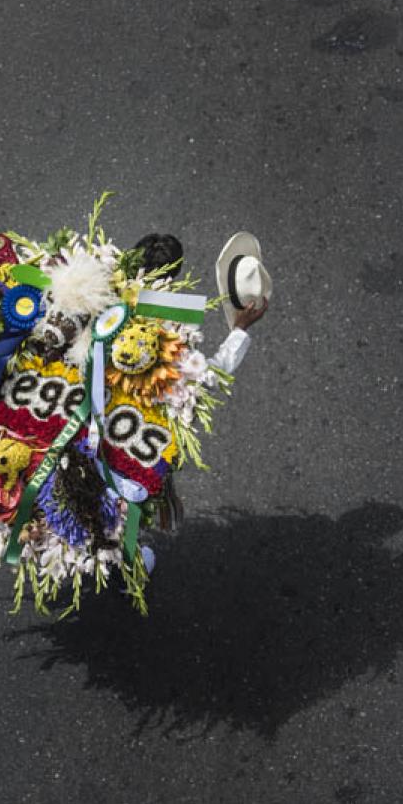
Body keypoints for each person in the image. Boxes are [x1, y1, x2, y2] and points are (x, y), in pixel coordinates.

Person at [133, 233, 269, 574]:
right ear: (175, 274)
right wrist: (238, 331)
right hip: (134, 436)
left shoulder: (99, 295)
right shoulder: (172, 329)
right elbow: (208, 379)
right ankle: (127, 567)